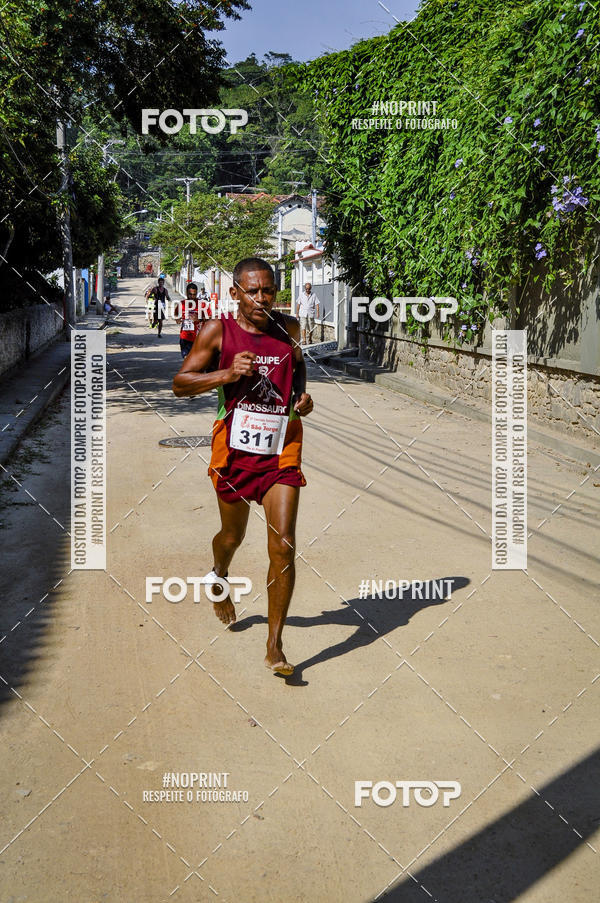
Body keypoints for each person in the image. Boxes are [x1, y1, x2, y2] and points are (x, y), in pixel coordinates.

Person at [172, 257, 313, 676]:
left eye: (268, 290)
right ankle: (219, 573)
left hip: (281, 449)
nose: (261, 298)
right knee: (232, 536)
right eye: (252, 291)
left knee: (283, 543)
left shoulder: (288, 329)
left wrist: (302, 399)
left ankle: (275, 646)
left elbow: (298, 367)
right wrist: (225, 374)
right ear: (235, 292)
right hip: (233, 453)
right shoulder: (218, 331)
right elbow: (180, 384)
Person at [175, 282, 211, 358]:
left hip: (199, 338)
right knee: (187, 359)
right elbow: (176, 315)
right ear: (186, 293)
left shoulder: (202, 304)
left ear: (197, 293)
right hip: (185, 337)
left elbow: (210, 318)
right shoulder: (182, 304)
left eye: (194, 294)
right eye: (190, 294)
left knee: (198, 361)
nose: (192, 296)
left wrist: (200, 319)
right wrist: (177, 319)